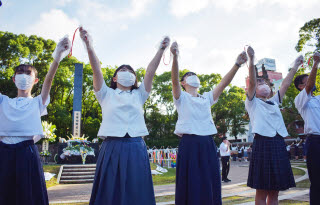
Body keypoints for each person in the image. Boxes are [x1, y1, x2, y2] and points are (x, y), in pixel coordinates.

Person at [79, 27, 170, 205]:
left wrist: (161, 49)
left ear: (135, 78)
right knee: (110, 192)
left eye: (131, 71)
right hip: (112, 146)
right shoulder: (105, 94)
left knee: (137, 191)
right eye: (123, 70)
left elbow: (150, 70)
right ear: (114, 78)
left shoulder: (140, 94)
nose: (127, 72)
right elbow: (96, 69)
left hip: (136, 146)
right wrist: (89, 46)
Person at [171, 41, 248, 205]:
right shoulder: (181, 97)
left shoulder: (207, 97)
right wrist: (175, 57)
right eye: (188, 75)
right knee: (190, 182)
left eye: (194, 74)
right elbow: (174, 81)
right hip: (189, 142)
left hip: (207, 142)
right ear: (183, 82)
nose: (193, 76)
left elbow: (223, 83)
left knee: (210, 180)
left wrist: (237, 64)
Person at [0, 36, 71, 205]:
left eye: (28, 73)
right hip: (4, 152)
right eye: (20, 73)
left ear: (35, 80)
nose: (23, 76)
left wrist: (57, 56)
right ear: (14, 79)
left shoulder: (37, 102)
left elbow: (49, 80)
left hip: (26, 152)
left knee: (29, 196)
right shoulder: (4, 101)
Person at [245, 46, 301, 204]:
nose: (263, 85)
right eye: (259, 83)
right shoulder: (252, 103)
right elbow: (251, 83)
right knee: (261, 190)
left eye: (265, 83)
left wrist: (295, 65)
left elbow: (285, 85)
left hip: (277, 142)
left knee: (275, 190)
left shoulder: (274, 101)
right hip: (262, 142)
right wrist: (251, 60)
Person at [294, 52, 320, 204]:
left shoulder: (318, 99)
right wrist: (315, 63)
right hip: (315, 142)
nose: (313, 81)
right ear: (301, 86)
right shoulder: (300, 99)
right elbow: (310, 84)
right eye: (308, 80)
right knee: (317, 181)